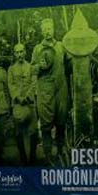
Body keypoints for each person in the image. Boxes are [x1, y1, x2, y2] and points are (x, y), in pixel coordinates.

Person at [32, 18, 69, 163]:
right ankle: (48, 157)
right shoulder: (37, 49)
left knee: (61, 123)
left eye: (50, 28)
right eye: (45, 29)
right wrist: (39, 66)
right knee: (46, 126)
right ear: (42, 32)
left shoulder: (61, 46)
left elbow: (69, 65)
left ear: (53, 29)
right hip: (45, 92)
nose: (48, 31)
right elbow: (32, 69)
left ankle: (60, 152)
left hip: (61, 90)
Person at [8, 42, 38, 165]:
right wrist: (17, 98)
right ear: (14, 54)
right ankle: (23, 158)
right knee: (18, 132)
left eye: (22, 51)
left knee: (33, 131)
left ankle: (32, 157)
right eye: (17, 52)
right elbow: (11, 85)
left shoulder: (30, 67)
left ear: (25, 52)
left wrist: (27, 97)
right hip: (17, 104)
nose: (20, 54)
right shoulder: (11, 69)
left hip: (29, 103)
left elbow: (34, 82)